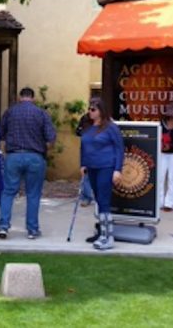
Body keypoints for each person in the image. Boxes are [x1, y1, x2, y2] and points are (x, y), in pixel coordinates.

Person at [0, 87, 56, 240]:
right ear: (33, 97)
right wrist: (43, 150)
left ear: (19, 97)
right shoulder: (41, 113)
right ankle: (32, 230)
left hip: (14, 155)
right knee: (33, 194)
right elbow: (51, 139)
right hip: (35, 156)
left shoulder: (10, 112)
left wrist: (5, 154)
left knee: (8, 192)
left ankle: (3, 227)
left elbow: (1, 136)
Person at [79, 97, 124, 250]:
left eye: (93, 109)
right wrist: (83, 163)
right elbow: (84, 146)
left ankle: (108, 237)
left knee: (104, 200)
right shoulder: (89, 127)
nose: (90, 112)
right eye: (89, 109)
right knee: (98, 199)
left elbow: (119, 148)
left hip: (106, 166)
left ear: (101, 111)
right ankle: (102, 233)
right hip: (92, 167)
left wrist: (118, 169)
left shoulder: (111, 127)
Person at [75, 114, 95, 207]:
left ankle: (89, 197)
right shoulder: (85, 118)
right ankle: (86, 197)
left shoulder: (104, 119)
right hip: (87, 148)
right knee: (86, 174)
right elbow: (78, 131)